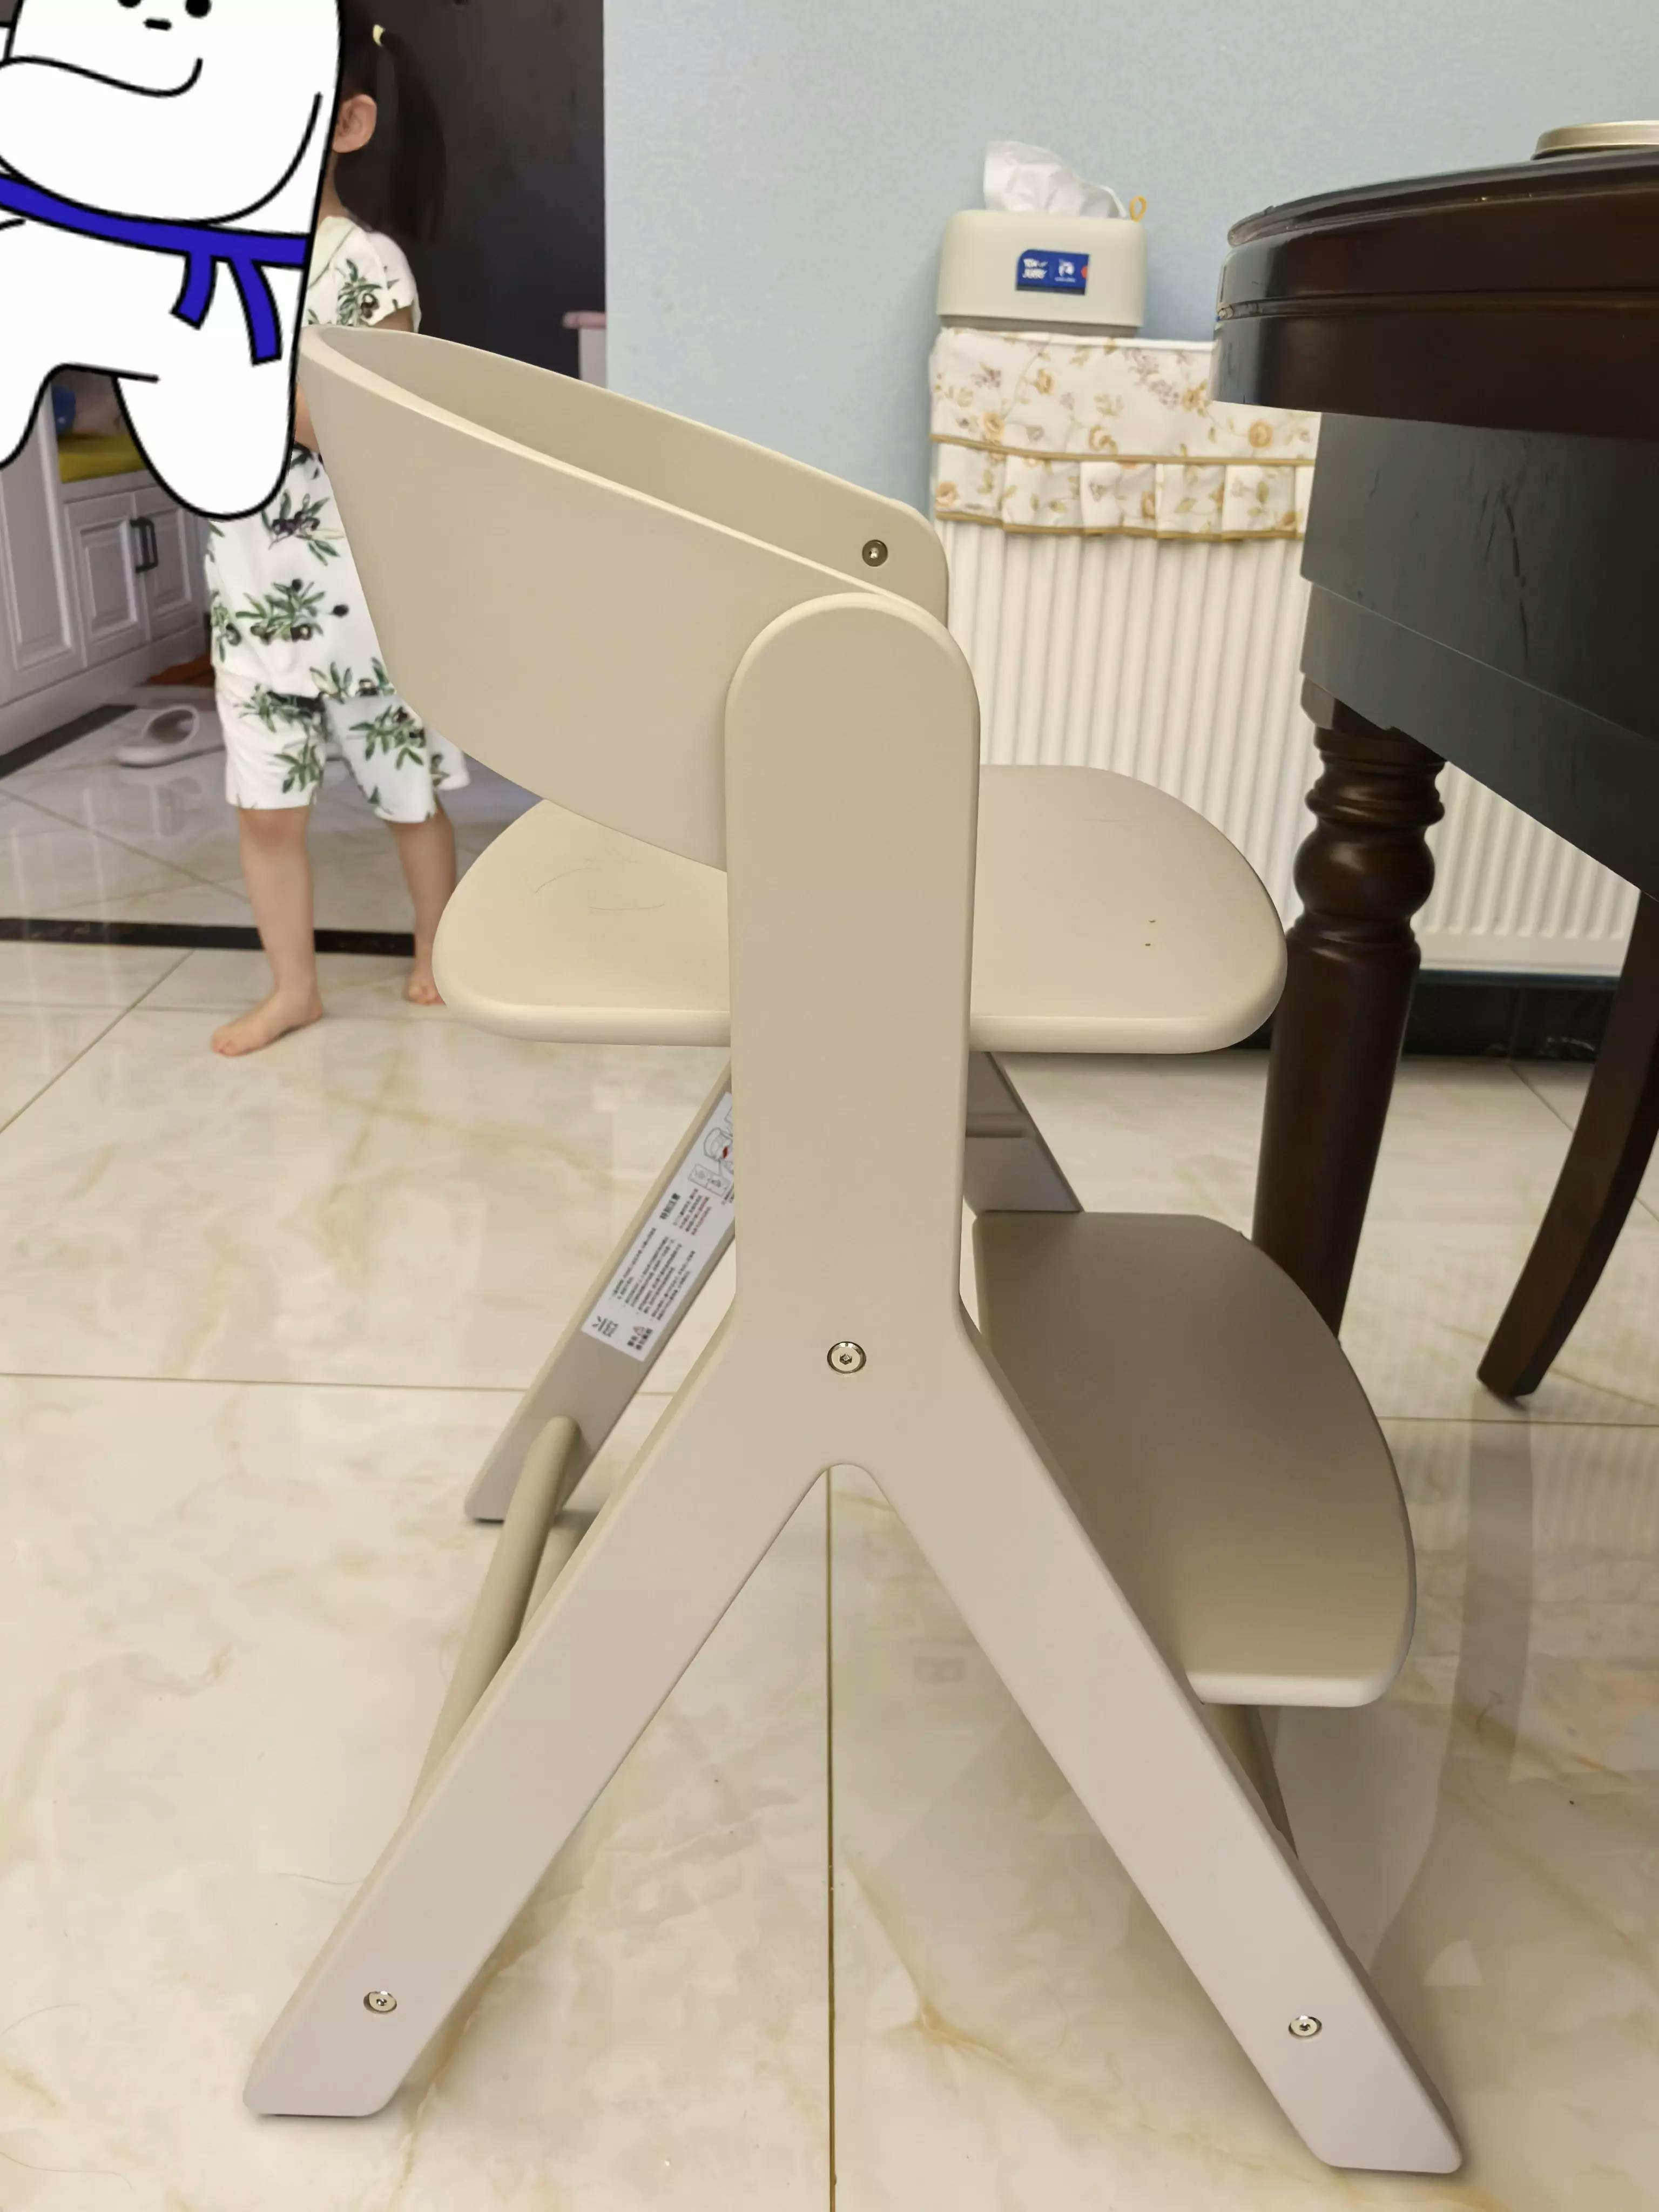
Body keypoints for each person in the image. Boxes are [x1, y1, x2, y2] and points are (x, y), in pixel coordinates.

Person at [206, 5, 465, 1056]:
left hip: (361, 589)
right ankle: (293, 988)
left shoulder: (370, 266)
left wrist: (251, 356)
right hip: (248, 584)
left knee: (406, 789)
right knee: (264, 805)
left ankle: (438, 944)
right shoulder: (219, 258)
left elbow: (359, 434)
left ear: (348, 124)